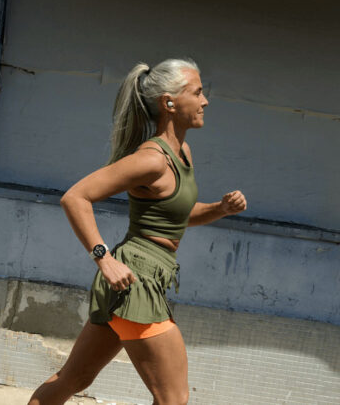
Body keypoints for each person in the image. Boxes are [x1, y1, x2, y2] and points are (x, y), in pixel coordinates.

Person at [28, 58, 247, 405]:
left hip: (146, 277)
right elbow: (76, 197)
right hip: (135, 280)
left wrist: (220, 209)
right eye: (198, 92)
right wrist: (104, 259)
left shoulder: (182, 153)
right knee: (173, 398)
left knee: (75, 377)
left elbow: (177, 216)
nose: (205, 101)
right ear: (170, 103)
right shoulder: (152, 159)